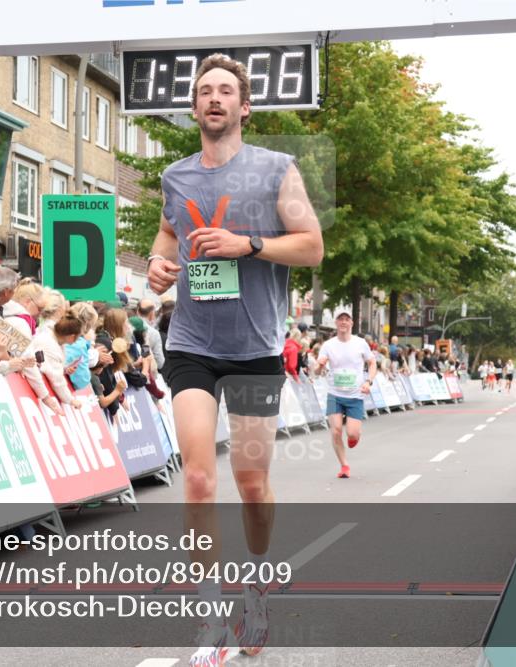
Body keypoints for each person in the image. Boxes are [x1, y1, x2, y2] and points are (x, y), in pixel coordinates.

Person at [145, 53, 323, 664]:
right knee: (197, 476)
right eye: (204, 92)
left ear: (244, 107)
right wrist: (158, 265)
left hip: (254, 348)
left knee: (251, 484)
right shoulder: (176, 176)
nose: (214, 99)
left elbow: (311, 247)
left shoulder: (277, 169)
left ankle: (256, 581)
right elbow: (169, 234)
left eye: (226, 91)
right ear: (194, 108)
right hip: (193, 342)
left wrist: (248, 243)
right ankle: (211, 612)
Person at [316, 310, 376, 479]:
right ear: (336, 323)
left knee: (352, 434)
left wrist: (368, 381)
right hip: (334, 393)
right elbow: (316, 371)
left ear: (352, 323)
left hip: (355, 394)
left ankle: (354, 436)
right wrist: (320, 365)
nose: (343, 322)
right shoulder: (328, 345)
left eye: (346, 319)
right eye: (340, 319)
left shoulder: (360, 343)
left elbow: (372, 363)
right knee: (335, 431)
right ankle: (344, 466)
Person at [137, 298, 166, 372]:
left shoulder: (127, 326)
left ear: (137, 311)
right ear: (152, 313)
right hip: (147, 373)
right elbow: (160, 363)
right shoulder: (154, 333)